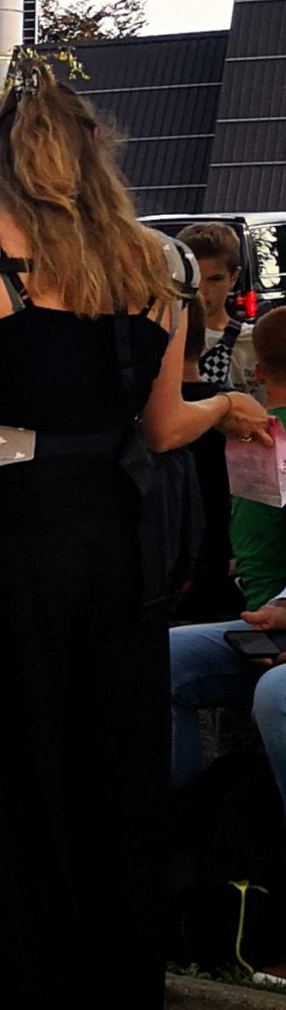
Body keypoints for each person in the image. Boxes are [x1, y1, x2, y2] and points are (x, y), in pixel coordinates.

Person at [0, 58, 270, 1010]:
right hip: (119, 532)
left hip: (8, 532)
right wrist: (224, 407)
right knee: (114, 761)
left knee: (15, 765)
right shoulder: (165, 265)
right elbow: (163, 423)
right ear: (99, 151)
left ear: (3, 156)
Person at [172, 305, 286, 828]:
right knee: (160, 658)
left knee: (275, 694)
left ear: (257, 373)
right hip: (269, 618)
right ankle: (179, 839)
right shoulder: (259, 434)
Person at [176, 297, 245, 623]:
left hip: (157, 583)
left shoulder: (132, 418)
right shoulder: (239, 414)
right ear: (204, 344)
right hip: (220, 579)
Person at [178, 222, 255, 393]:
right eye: (195, 278)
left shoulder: (251, 343)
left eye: (214, 280)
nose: (202, 290)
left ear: (233, 277)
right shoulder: (161, 338)